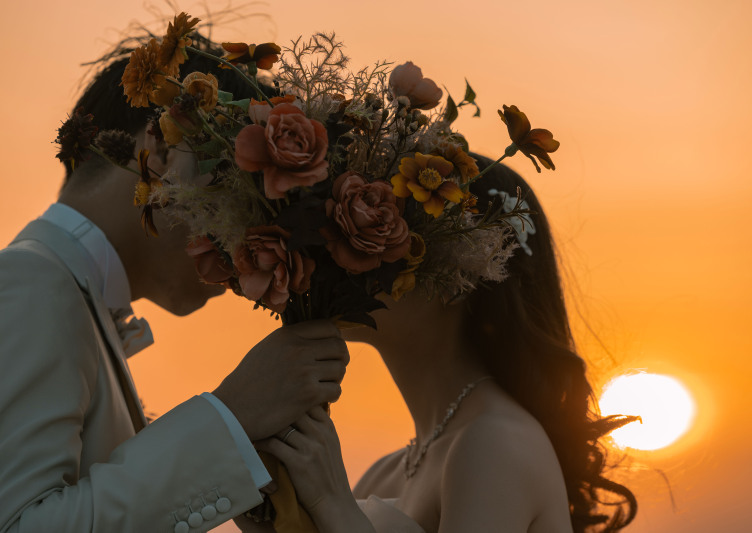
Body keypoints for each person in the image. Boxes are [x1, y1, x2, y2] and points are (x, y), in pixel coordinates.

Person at [0, 37, 350, 532]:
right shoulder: (31, 281)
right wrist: (232, 416)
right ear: (164, 148)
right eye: (240, 198)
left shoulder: (67, 294)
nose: (246, 251)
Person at [254, 156, 638, 533]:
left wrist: (331, 503)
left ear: (457, 280)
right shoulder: (385, 473)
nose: (347, 256)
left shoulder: (495, 441)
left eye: (387, 240)